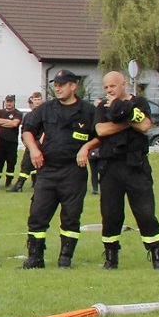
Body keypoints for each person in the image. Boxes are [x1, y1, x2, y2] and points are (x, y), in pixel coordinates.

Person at [21, 71, 98, 268]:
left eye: (62, 85)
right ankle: (35, 258)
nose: (57, 88)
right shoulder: (46, 109)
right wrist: (33, 149)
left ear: (73, 86)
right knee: (37, 215)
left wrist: (86, 147)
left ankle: (65, 259)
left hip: (73, 170)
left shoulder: (87, 111)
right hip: (47, 170)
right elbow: (28, 129)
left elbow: (100, 134)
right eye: (55, 84)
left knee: (71, 216)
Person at [93, 71, 159, 271]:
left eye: (113, 86)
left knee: (145, 212)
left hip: (136, 165)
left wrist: (124, 114)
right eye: (106, 87)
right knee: (110, 214)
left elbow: (145, 126)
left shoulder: (140, 102)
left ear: (123, 84)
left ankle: (157, 254)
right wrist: (127, 121)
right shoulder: (102, 107)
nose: (109, 90)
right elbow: (101, 130)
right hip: (110, 166)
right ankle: (111, 257)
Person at [0, 95, 23, 190]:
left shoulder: (17, 113)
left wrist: (2, 122)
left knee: (11, 163)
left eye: (11, 101)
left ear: (14, 102)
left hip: (12, 143)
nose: (9, 103)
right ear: (5, 102)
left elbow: (15, 123)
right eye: (7, 101)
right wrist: (9, 122)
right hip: (1, 141)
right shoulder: (0, 112)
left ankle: (8, 182)